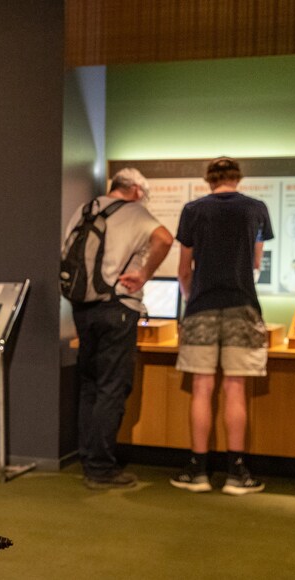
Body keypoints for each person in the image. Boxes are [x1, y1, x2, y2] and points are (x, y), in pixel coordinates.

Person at [64, 168, 174, 489]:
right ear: (137, 191)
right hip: (118, 307)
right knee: (113, 385)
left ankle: (88, 456)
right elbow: (165, 238)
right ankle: (101, 467)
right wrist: (143, 274)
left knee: (90, 383)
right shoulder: (135, 212)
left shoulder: (85, 210)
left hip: (82, 307)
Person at [170, 157, 273, 496]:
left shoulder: (193, 210)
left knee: (201, 386)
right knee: (235, 387)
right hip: (243, 305)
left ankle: (198, 471)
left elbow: (184, 269)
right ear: (237, 178)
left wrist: (190, 297)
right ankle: (236, 473)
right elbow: (257, 262)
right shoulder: (256, 209)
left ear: (209, 180)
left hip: (201, 306)